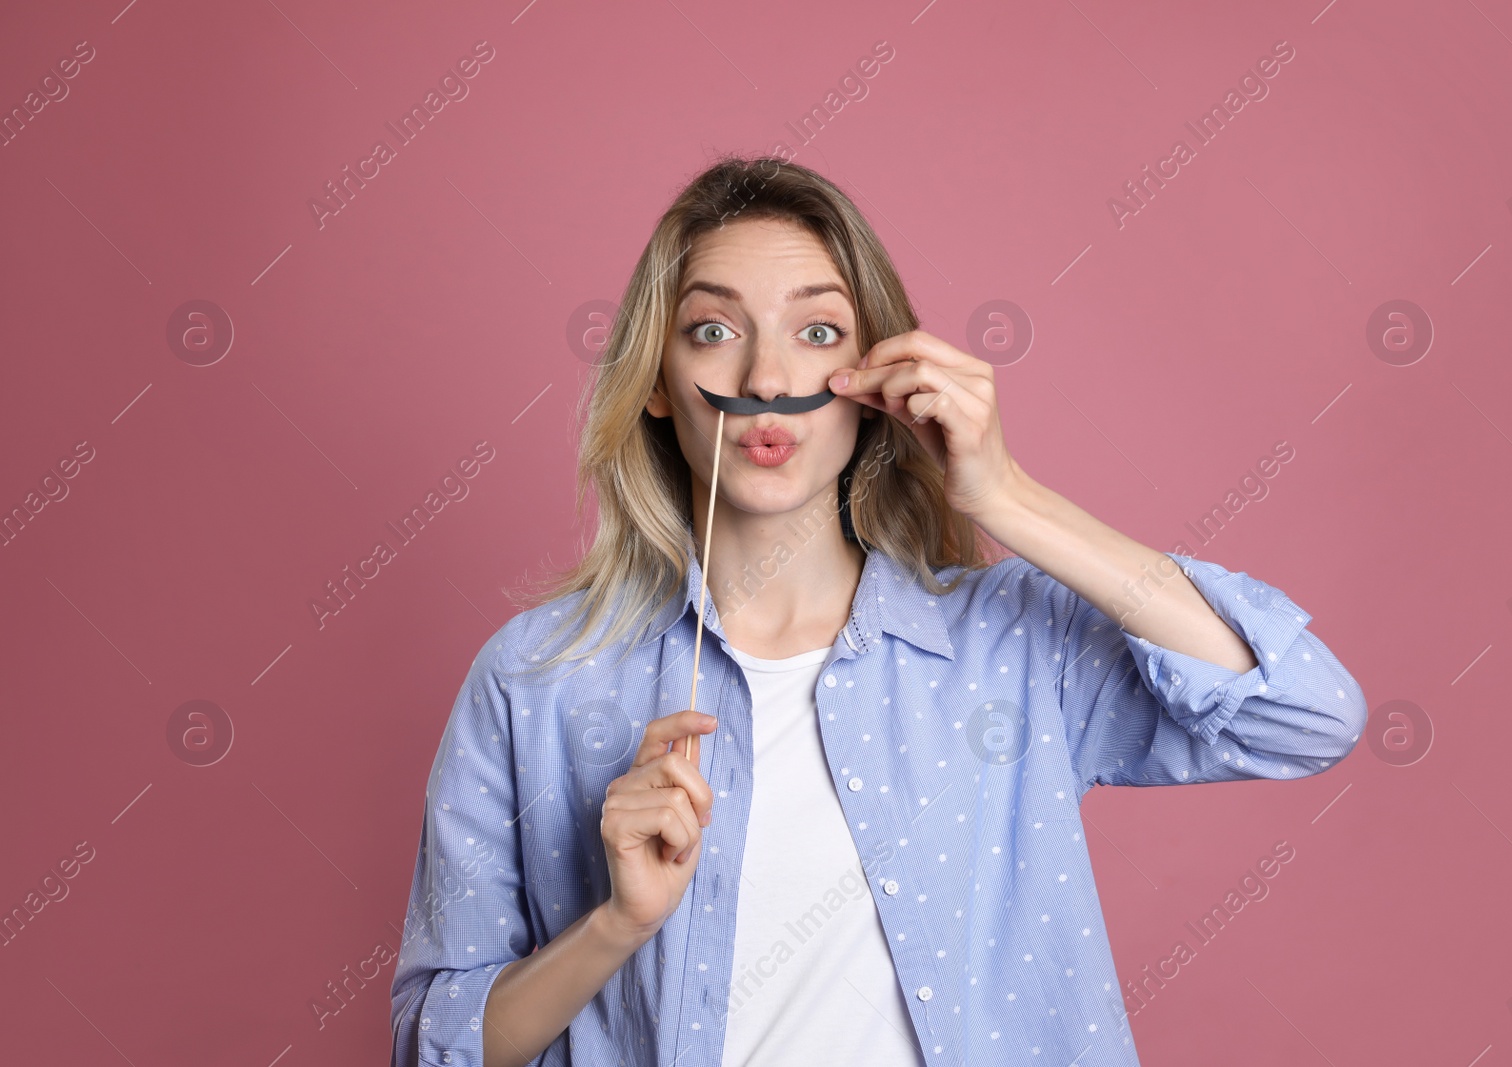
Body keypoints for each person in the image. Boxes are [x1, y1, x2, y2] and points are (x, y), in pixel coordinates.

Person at [387, 155, 1368, 1067]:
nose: (766, 380)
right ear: (654, 381)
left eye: (816, 332)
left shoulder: (1009, 644)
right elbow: (435, 1040)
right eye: (714, 330)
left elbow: (1305, 714)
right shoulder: (537, 676)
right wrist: (617, 924)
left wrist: (1007, 496)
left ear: (876, 384)